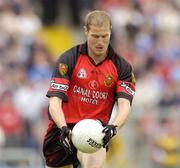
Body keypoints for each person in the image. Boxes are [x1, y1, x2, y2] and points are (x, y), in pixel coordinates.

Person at [43, 10, 136, 168]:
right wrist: (63, 127)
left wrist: (114, 127)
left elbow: (125, 106)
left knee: (93, 160)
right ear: (86, 32)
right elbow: (54, 102)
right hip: (62, 130)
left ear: (110, 32)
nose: (100, 42)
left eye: (104, 36)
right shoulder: (69, 59)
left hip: (94, 129)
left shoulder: (122, 67)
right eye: (95, 36)